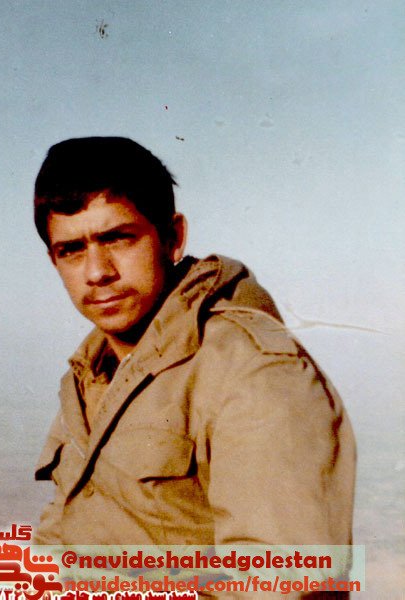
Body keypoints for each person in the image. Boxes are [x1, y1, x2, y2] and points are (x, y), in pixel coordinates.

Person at [32, 137, 355, 568]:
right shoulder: (92, 373)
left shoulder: (251, 369)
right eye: (71, 250)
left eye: (118, 239)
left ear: (173, 238)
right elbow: (61, 539)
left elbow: (286, 578)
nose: (97, 272)